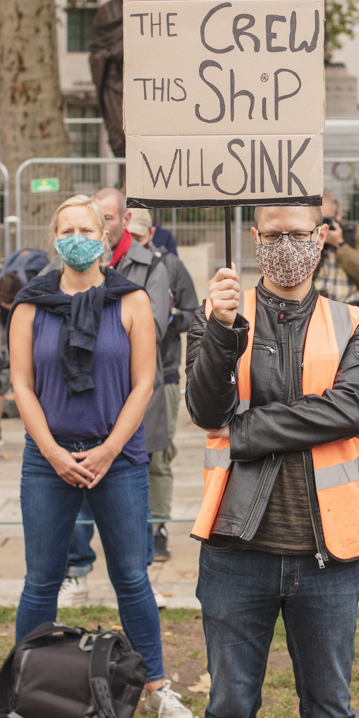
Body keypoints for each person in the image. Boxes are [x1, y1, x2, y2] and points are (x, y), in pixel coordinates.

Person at [185, 198, 359, 718]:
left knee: (329, 706)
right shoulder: (223, 312)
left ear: (322, 237)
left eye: (299, 234)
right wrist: (219, 333)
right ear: (253, 236)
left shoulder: (355, 321)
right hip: (236, 547)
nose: (286, 246)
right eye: (272, 235)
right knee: (230, 705)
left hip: (325, 550)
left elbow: (351, 408)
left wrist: (248, 430)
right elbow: (205, 407)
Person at [5, 195, 190, 718]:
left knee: (131, 576)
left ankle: (156, 687)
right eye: (68, 228)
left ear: (106, 237)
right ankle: (23, 686)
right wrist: (53, 452)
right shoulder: (30, 305)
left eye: (88, 227)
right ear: (55, 237)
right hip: (49, 458)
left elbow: (144, 384)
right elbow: (21, 384)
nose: (78, 236)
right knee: (41, 579)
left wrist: (109, 450)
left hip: (120, 458)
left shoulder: (129, 301)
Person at [64, 186, 180, 594]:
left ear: (122, 220)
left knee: (143, 476)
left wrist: (95, 339)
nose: (96, 228)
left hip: (135, 393)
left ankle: (141, 567)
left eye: (105, 219)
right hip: (82, 401)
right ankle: (77, 569)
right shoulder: (60, 270)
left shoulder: (151, 266)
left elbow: (155, 330)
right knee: (75, 487)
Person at [129, 206, 199, 562]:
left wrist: (170, 322)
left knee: (159, 456)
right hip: (122, 376)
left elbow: (194, 311)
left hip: (165, 372)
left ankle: (157, 528)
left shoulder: (169, 265)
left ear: (151, 234)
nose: (135, 246)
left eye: (140, 239)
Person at [0, 246, 51, 450]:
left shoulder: (36, 282)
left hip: (36, 323)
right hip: (7, 329)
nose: (9, 308)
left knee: (40, 378)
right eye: (6, 306)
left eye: (12, 304)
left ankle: (45, 432)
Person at [312, 190, 359, 309]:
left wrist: (339, 244)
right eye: (317, 220)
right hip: (318, 307)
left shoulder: (358, 235)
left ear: (338, 215)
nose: (322, 226)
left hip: (353, 307)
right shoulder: (309, 237)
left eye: (325, 219)